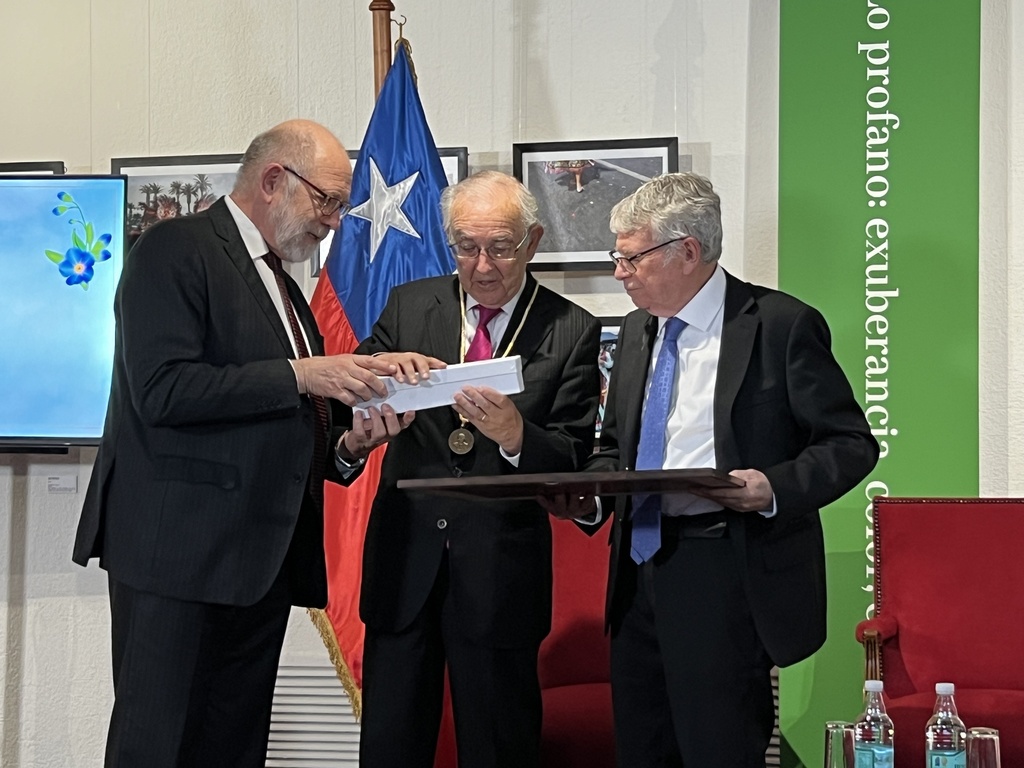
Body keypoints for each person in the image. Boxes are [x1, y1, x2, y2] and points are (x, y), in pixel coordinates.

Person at [73, 119, 400, 767]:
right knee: (159, 747)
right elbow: (164, 391)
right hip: (179, 558)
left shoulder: (283, 285)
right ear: (274, 180)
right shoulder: (174, 249)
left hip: (257, 565)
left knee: (234, 750)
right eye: (327, 200)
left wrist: (349, 444)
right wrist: (303, 374)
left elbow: (282, 422)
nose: (335, 221)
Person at [542, 172, 880, 767]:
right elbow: (617, 445)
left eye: (630, 258)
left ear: (687, 251)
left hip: (726, 566)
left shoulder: (780, 325)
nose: (619, 273)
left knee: (718, 751)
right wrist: (590, 497)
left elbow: (850, 443)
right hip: (637, 572)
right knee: (643, 751)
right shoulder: (640, 329)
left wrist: (774, 487)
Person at [335, 170, 602, 768]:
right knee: (389, 746)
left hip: (500, 576)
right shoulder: (409, 305)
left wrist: (516, 437)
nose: (482, 265)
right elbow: (348, 402)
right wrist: (367, 410)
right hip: (405, 566)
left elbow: (574, 459)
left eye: (501, 247)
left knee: (499, 746)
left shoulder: (570, 329)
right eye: (466, 246)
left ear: (532, 242)